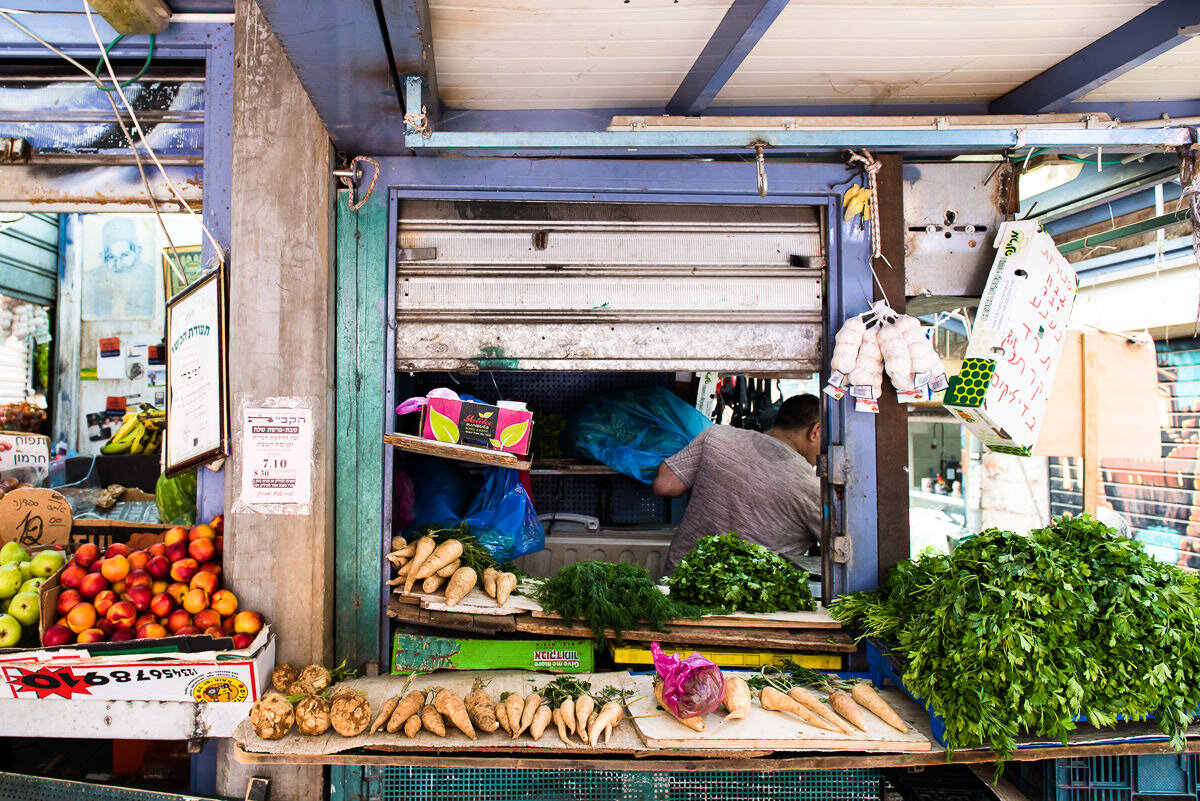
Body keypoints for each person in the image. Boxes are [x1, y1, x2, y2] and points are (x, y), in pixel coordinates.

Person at [652, 393, 822, 573]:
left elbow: (665, 484)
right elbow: (840, 547)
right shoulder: (812, 489)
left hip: (682, 578)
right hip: (753, 595)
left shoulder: (716, 436)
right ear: (815, 431)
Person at [83, 216, 155, 320]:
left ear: (138, 252)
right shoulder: (90, 281)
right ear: (102, 258)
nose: (119, 265)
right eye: (111, 257)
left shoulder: (151, 277)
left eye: (125, 255)